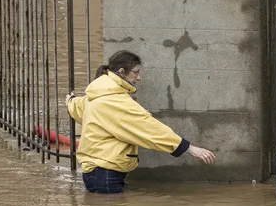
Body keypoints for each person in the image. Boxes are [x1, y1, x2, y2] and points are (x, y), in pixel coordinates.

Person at [66, 50, 216, 194]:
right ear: (121, 71)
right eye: (136, 73)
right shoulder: (116, 101)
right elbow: (149, 128)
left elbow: (79, 107)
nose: (139, 78)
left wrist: (70, 101)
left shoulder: (98, 93)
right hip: (105, 173)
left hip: (97, 171)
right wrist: (187, 147)